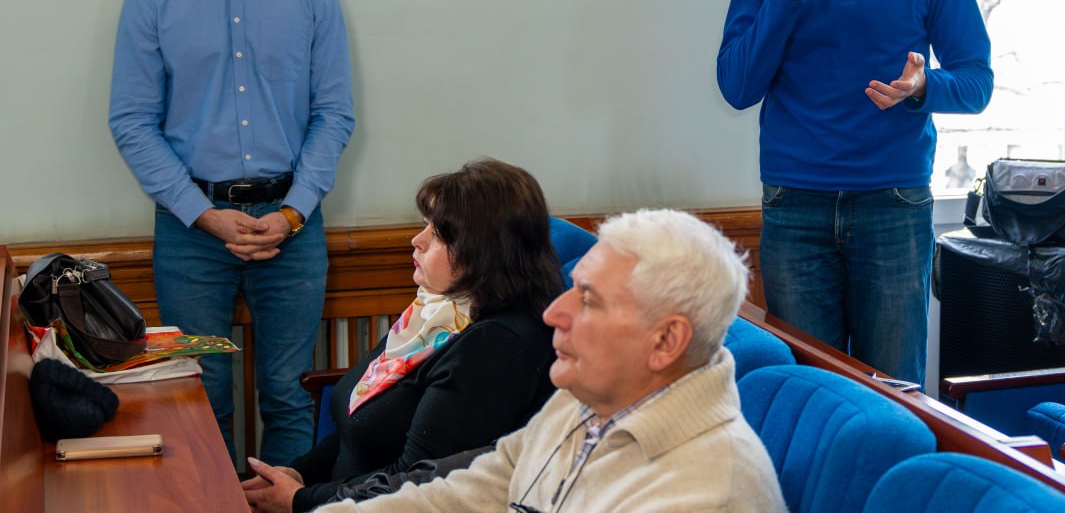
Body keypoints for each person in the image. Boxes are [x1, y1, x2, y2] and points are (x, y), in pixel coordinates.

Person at [717, 0, 993, 384]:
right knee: (809, 391)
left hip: (893, 203)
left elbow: (976, 82)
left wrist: (923, 87)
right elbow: (737, 87)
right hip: (795, 204)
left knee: (894, 390)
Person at [108, 0, 356, 464]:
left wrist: (292, 212)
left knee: (291, 395)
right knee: (200, 395)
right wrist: (203, 214)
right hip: (191, 232)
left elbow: (333, 113)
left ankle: (281, 501)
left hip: (292, 226)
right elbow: (132, 121)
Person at [265, 208, 786, 512]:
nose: (555, 312)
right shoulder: (590, 403)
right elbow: (470, 491)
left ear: (666, 341)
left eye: (589, 300)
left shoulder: (704, 492)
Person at [241, 159, 562, 512]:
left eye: (438, 235)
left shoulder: (496, 345)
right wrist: (300, 474)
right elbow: (360, 431)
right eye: (425, 225)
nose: (416, 240)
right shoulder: (438, 309)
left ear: (484, 251)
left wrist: (301, 499)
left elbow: (419, 484)